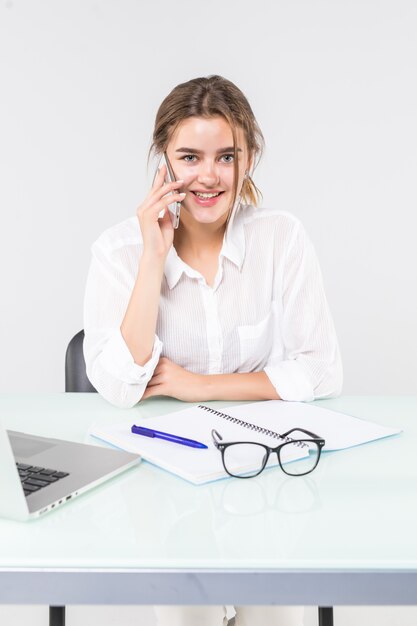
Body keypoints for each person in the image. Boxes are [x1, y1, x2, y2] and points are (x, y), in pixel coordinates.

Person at [83, 75, 342, 626]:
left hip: (265, 477)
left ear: (249, 160)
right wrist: (153, 255)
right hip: (160, 484)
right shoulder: (118, 252)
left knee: (278, 613)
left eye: (226, 156)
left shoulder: (281, 238)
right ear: (164, 163)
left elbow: (321, 371)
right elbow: (120, 386)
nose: (209, 175)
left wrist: (198, 387)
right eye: (190, 156)